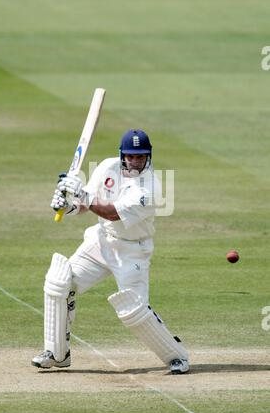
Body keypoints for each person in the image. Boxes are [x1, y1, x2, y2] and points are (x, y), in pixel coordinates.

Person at [32, 129, 189, 374]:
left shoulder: (150, 188)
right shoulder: (108, 167)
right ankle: (57, 353)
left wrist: (81, 193)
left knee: (134, 310)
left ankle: (177, 356)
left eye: (141, 156)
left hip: (132, 251)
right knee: (60, 282)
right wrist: (70, 205)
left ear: (148, 156)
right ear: (122, 154)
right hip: (101, 241)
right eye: (131, 156)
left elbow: (111, 212)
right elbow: (87, 205)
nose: (135, 161)